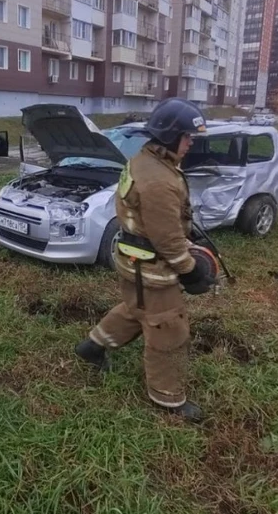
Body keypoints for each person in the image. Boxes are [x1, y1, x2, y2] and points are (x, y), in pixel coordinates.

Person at [74, 99, 215, 422]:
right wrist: (190, 270)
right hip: (153, 267)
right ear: (170, 136)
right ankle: (168, 399)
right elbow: (166, 237)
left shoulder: (144, 159)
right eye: (188, 136)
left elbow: (158, 222)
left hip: (132, 259)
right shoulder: (159, 181)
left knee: (136, 309)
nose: (191, 142)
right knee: (168, 328)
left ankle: (93, 347)